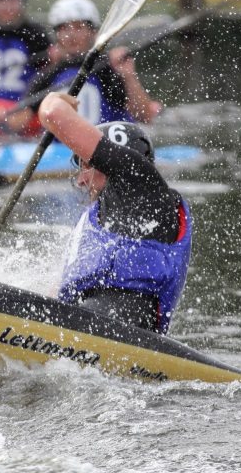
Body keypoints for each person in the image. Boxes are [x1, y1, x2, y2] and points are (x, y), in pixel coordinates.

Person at [37, 92, 191, 335]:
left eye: (86, 166)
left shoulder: (139, 178)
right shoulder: (95, 220)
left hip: (123, 329)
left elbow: (53, 113)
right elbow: (57, 298)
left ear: (111, 161)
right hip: (86, 325)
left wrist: (53, 97)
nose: (80, 181)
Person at [8, 0, 161, 130]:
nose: (71, 35)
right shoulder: (48, 75)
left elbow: (145, 117)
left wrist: (128, 76)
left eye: (78, 27)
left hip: (106, 147)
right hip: (61, 152)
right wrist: (4, 118)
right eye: (64, 29)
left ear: (93, 33)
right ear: (57, 35)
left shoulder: (108, 69)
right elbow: (17, 124)